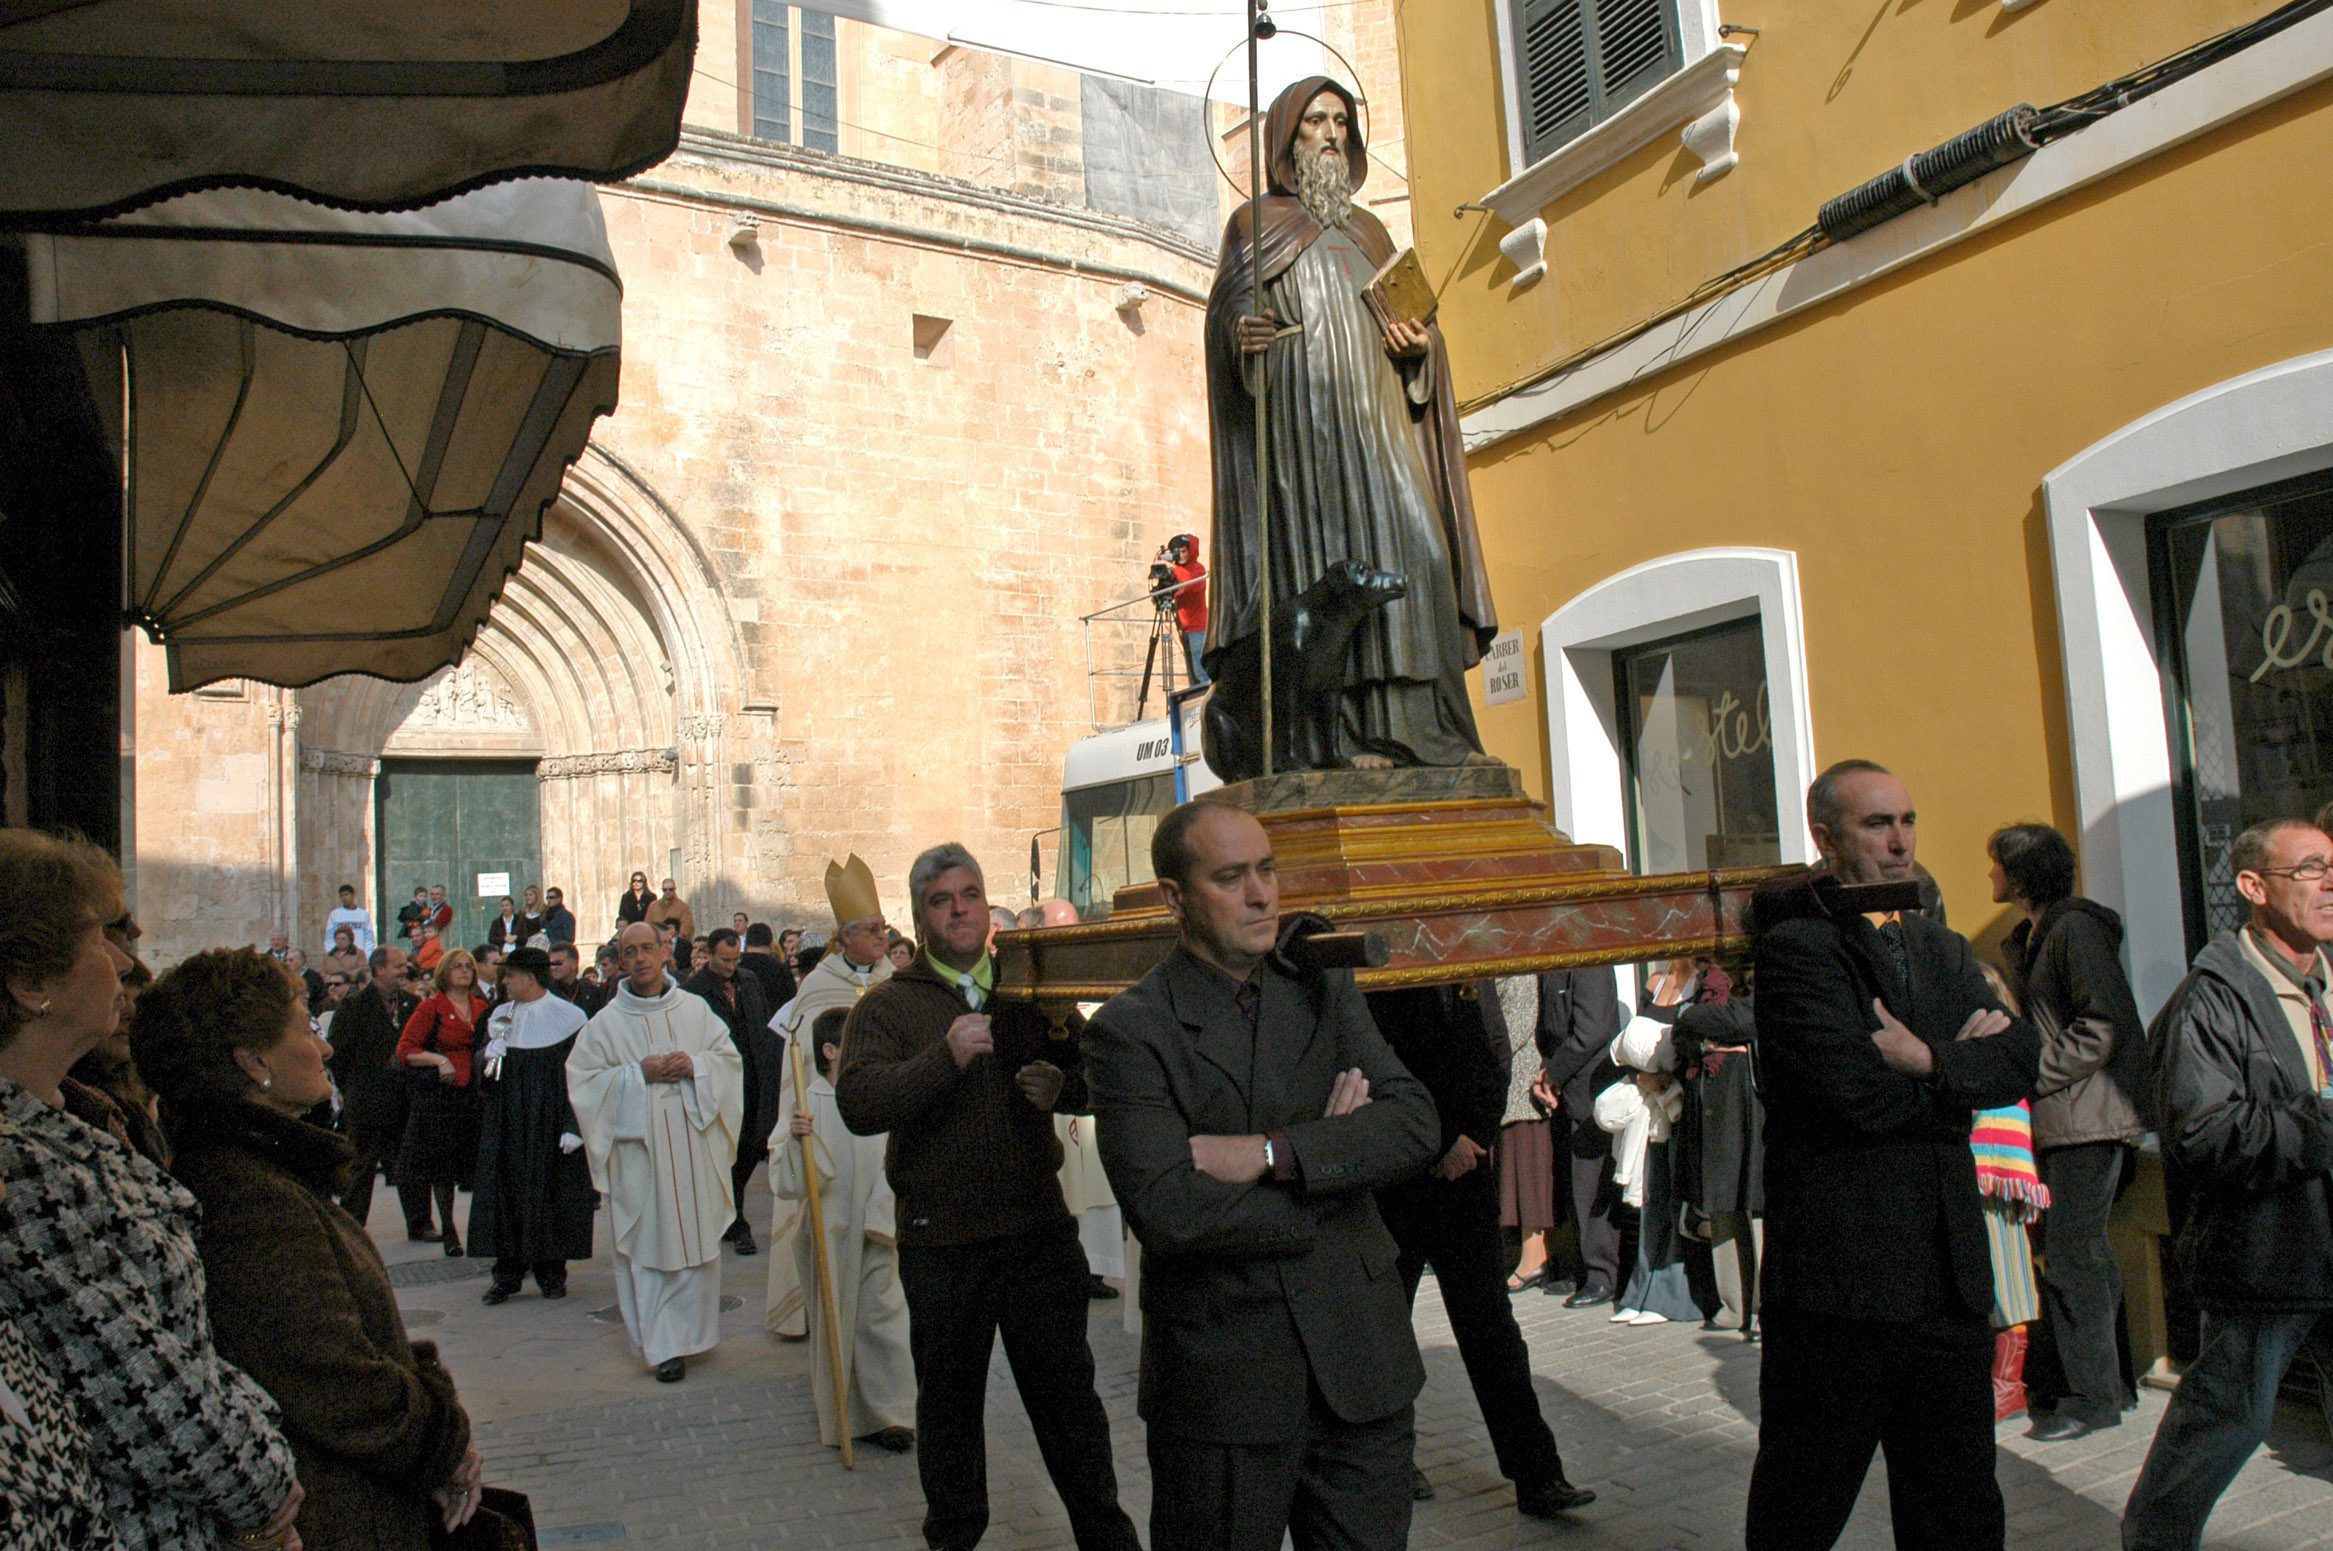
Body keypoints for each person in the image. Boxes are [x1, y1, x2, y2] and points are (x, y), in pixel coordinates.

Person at [1083, 801, 1439, 1549]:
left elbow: (1413, 1122)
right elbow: (1169, 1209)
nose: (1261, 895)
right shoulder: (1130, 1029)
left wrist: (1270, 1153)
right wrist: (1339, 1167)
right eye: (1231, 876)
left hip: (1359, 1367)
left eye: (1268, 869)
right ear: (1175, 897)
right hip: (1223, 1389)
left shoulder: (1322, 988)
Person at [1741, 760, 2039, 1551]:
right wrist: (1957, 1074)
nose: (1900, 841)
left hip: (1947, 1281)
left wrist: (1926, 1060)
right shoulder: (1799, 950)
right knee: (1802, 1504)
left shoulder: (1938, 946)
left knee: (1960, 1508)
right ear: (1826, 836)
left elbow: (2020, 1062)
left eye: (1906, 820)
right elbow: (1855, 1095)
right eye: (1877, 824)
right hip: (1843, 1285)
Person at [0, 829, 305, 1551]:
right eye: (100, 937)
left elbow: (184, 1354)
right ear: (31, 982)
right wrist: (268, 1493)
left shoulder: (68, 1128)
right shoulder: (23, 1168)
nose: (127, 962)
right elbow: (137, 1390)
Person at [836, 843, 1140, 1551]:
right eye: (942, 900)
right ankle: (953, 1537)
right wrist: (942, 1058)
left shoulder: (1030, 989)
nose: (960, 908)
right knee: (947, 1409)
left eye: (969, 893)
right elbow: (858, 1102)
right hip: (940, 1242)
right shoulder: (887, 1006)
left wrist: (1063, 1089)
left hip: (1036, 1234)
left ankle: (1106, 1536)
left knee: (1068, 1402)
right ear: (921, 915)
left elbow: (1103, 1078)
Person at [135, 948, 489, 1551]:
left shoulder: (265, 1174)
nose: (322, 1048)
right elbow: (335, 1379)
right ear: (253, 1063)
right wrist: (443, 1443)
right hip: (341, 1514)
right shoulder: (250, 1201)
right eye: (304, 1030)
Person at [1203, 76, 1496, 778]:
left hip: (1382, 426)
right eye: (1314, 121)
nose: (1331, 133)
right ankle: (1337, 738)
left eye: (1340, 121)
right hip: (1305, 442)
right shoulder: (1252, 226)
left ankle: (1425, 733)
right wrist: (1236, 336)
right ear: (1285, 138)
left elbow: (1422, 326)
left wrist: (1421, 350)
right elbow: (1222, 331)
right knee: (1324, 580)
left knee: (1418, 556)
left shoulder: (1373, 231)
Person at [2122, 817, 2333, 1548]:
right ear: (2252, 886)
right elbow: (2201, 1134)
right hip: (2264, 1256)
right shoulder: (2208, 1001)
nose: (2329, 882)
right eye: (2309, 868)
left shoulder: (2326, 983)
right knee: (2223, 1422)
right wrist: (2322, 1122)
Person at [1372, 978, 1597, 1518]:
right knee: (1385, 1333)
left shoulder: (1464, 973)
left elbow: (1494, 1053)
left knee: (1493, 1332)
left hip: (1464, 1177)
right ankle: (1390, 1463)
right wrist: (1435, 1145)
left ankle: (1537, 1473)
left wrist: (1472, 1137)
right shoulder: (1381, 983)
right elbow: (1377, 1069)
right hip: (1398, 1181)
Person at [1988, 821, 2150, 1440]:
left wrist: (2030, 1072)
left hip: (2088, 1119)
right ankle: (2115, 1386)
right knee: (2087, 1256)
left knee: (2074, 1259)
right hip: (2073, 1117)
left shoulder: (2074, 931)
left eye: (1997, 863)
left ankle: (2092, 1399)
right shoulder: (2041, 934)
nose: (1991, 875)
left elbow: (2104, 1024)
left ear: (2022, 874)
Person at [567, 921, 744, 1382]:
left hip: (691, 1144)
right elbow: (583, 1083)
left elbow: (729, 1062)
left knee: (696, 1236)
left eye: (649, 948)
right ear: (620, 961)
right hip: (639, 1154)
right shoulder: (604, 1024)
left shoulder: (696, 1010)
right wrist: (635, 1075)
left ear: (667, 952)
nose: (641, 958)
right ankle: (661, 1346)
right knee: (647, 1244)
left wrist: (697, 1066)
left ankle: (695, 1336)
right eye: (631, 951)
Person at [774, 1006, 916, 1453]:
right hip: (829, 1231)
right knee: (836, 1322)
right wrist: (798, 1143)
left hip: (878, 1227)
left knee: (884, 1318)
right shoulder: (807, 1103)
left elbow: (900, 1153)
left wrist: (884, 1212)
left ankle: (891, 1414)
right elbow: (789, 1182)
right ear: (831, 1050)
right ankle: (843, 1416)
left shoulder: (876, 1094)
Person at [766, 856, 895, 1341]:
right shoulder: (817, 989)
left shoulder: (898, 983)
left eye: (884, 927)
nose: (882, 936)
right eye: (871, 928)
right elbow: (797, 1066)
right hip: (832, 1126)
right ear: (845, 937)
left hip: (885, 1124)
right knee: (835, 1228)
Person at [470, 948, 595, 1305]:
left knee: (550, 1195)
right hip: (507, 1120)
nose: (504, 982)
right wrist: (487, 1058)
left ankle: (551, 1274)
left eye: (510, 976)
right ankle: (506, 1276)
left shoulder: (570, 1017)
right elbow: (485, 1068)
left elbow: (582, 1075)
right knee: (505, 1196)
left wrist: (575, 1124)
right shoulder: (501, 1014)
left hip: (550, 1119)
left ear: (529, 977)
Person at [1535, 966, 1627, 1307]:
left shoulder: (1590, 963)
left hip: (1590, 1087)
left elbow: (1594, 1029)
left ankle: (1603, 1275)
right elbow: (1550, 1027)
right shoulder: (1556, 963)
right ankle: (1580, 1267)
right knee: (1573, 1183)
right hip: (1567, 1086)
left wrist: (1554, 1072)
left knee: (1592, 1186)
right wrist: (1549, 1072)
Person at [683, 927, 776, 1255]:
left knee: (750, 1148)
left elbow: (762, 1021)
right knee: (727, 1150)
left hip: (752, 1078)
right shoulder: (693, 991)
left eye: (735, 959)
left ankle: (729, 1214)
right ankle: (736, 1221)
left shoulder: (749, 982)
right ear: (709, 954)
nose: (730, 966)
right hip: (718, 1082)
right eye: (724, 960)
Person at [395, 950, 491, 1258]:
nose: (464, 971)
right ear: (444, 973)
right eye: (457, 967)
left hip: (475, 1094)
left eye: (468, 967)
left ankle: (482, 1231)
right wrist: (438, 1059)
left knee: (476, 1164)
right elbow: (406, 1049)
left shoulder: (481, 1007)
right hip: (443, 1095)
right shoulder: (431, 1007)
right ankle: (449, 1229)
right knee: (443, 1166)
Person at [330, 945, 430, 1238]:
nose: (404, 971)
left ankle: (420, 1224)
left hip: (404, 1100)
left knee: (409, 1165)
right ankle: (351, 1227)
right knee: (361, 1168)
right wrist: (357, 1086)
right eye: (398, 966)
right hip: (367, 1102)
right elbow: (338, 1055)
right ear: (378, 970)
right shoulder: (354, 1007)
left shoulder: (412, 1005)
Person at [1160, 532, 1209, 685]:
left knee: (1201, 673)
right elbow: (1166, 594)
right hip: (1186, 630)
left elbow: (1188, 582)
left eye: (1184, 551)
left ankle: (1207, 706)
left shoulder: (1196, 569)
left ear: (1190, 551)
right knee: (1193, 677)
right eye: (1178, 552)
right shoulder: (1177, 571)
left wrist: (1171, 567)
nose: (1181, 555)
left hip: (1198, 629)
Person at [740, 922, 799, 1014]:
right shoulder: (781, 970)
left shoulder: (735, 966)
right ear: (771, 944)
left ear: (746, 943)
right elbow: (790, 1004)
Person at [548, 941, 604, 1016]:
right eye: (552, 963)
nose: (554, 967)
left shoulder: (592, 992)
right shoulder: (546, 993)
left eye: (559, 963)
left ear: (574, 964)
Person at [326, 883, 376, 955]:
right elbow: (329, 938)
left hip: (359, 955)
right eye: (342, 896)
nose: (344, 898)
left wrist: (367, 955)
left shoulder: (363, 914)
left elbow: (369, 938)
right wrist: (332, 955)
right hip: (341, 956)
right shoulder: (335, 915)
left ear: (353, 895)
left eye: (346, 895)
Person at [648, 877, 695, 944]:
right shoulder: (653, 906)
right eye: (665, 890)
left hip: (674, 943)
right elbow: (647, 924)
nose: (668, 892)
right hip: (656, 942)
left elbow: (687, 926)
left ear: (675, 889)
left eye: (671, 889)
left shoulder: (683, 907)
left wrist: (677, 940)